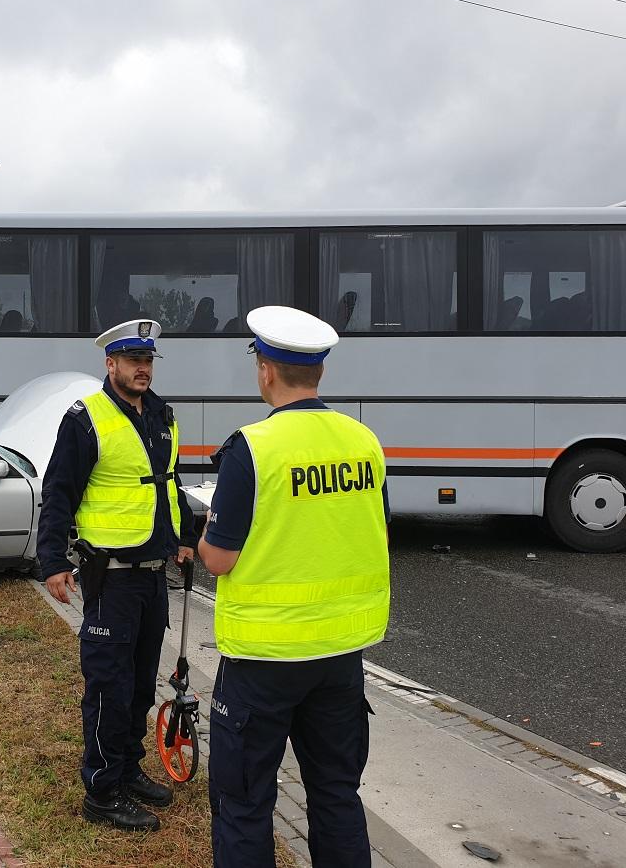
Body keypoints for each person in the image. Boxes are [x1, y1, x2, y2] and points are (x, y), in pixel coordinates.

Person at [198, 305, 391, 868]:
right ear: (319, 373)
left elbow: (218, 559)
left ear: (265, 371)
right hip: (340, 656)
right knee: (336, 794)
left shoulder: (252, 448)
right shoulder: (364, 441)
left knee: (244, 801)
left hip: (264, 657)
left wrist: (205, 529)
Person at [38, 318, 198, 832]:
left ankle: (128, 769)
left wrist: (186, 536)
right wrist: (54, 561)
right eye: (133, 361)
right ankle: (102, 791)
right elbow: (60, 491)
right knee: (108, 684)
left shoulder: (162, 415)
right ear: (111, 364)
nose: (142, 369)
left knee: (138, 685)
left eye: (148, 361)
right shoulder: (86, 419)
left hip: (153, 574)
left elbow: (167, 483)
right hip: (111, 577)